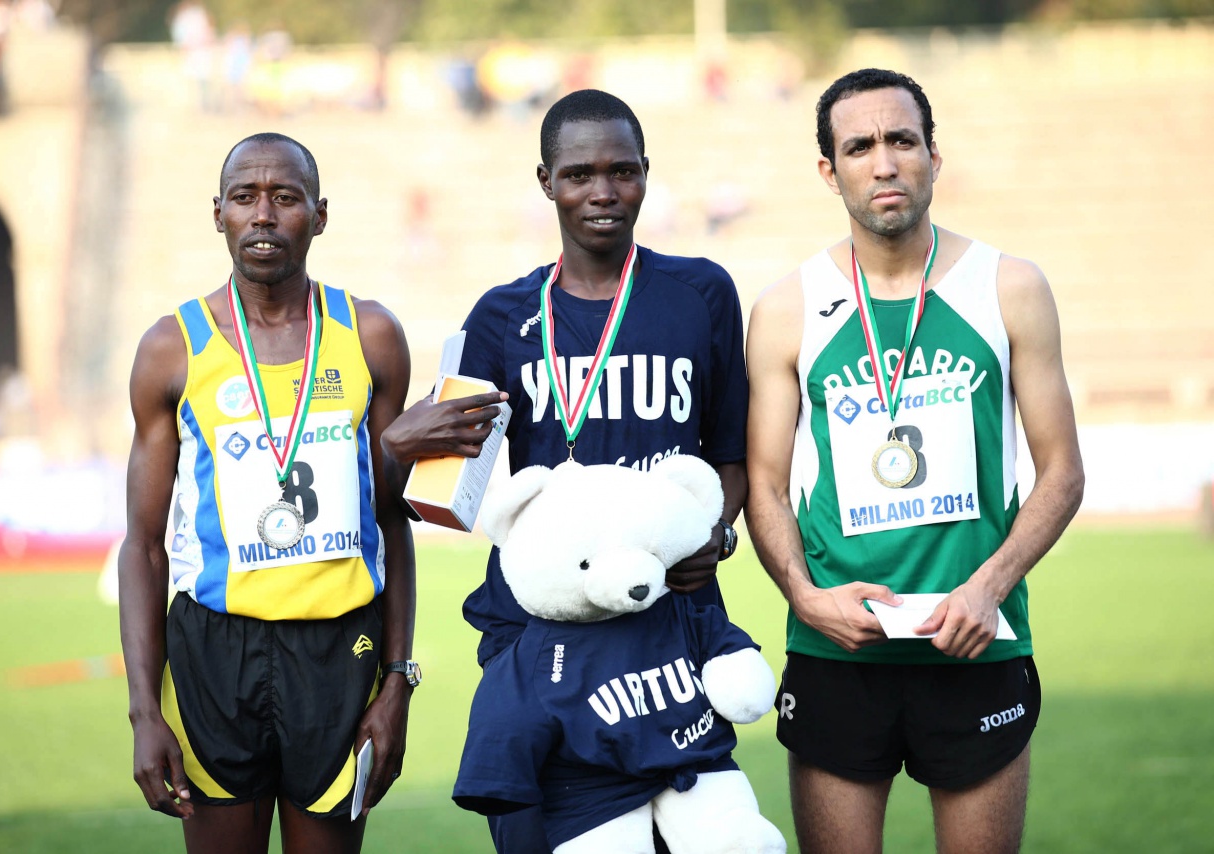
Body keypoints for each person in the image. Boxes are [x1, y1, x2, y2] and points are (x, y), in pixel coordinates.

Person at [381, 89, 750, 853]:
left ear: (646, 174)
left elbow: (730, 456)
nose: (603, 192)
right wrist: (404, 446)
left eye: (622, 171)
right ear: (546, 181)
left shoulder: (702, 292)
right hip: (540, 632)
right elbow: (443, 491)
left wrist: (716, 533)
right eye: (580, 174)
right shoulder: (500, 316)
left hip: (667, 624)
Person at [744, 68, 1085, 854]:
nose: (884, 162)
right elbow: (762, 485)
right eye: (859, 147)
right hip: (839, 645)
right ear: (829, 170)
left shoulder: (1010, 287)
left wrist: (987, 588)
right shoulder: (786, 308)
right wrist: (804, 598)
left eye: (901, 140)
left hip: (976, 637)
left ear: (934, 154)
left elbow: (1063, 471)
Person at [118, 132, 420, 854]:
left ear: (319, 215)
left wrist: (397, 684)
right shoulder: (171, 347)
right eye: (244, 197)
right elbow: (144, 544)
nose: (263, 214)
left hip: (339, 643)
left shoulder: (370, 335)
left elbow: (392, 520)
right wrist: (143, 712)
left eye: (285, 197)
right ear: (217, 213)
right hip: (215, 649)